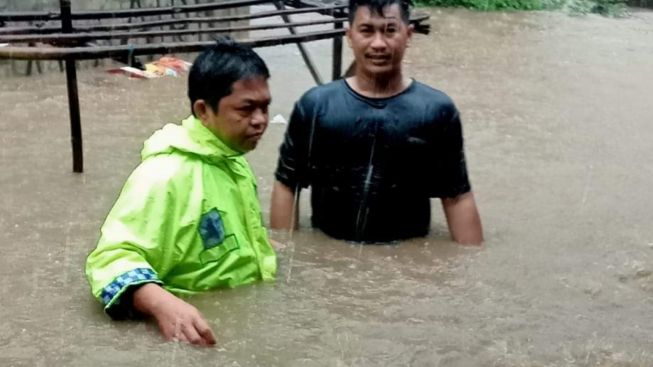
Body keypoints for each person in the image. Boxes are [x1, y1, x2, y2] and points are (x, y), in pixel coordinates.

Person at [85, 38, 276, 346]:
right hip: (199, 333)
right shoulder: (164, 176)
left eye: (265, 107)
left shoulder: (233, 160)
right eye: (247, 108)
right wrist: (163, 305)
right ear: (203, 110)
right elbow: (109, 260)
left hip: (241, 326)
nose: (261, 121)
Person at [270, 0, 483, 244]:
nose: (379, 44)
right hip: (333, 249)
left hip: (406, 260)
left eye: (390, 30)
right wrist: (282, 255)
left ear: (408, 34)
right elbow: (287, 185)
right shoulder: (316, 106)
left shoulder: (436, 110)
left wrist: (470, 266)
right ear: (349, 36)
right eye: (367, 30)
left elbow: (457, 196)